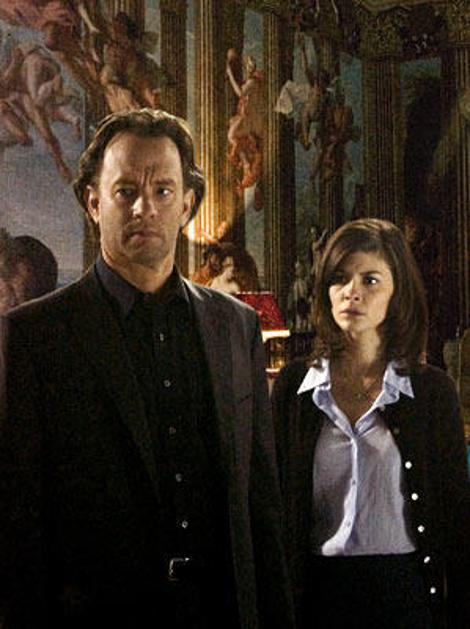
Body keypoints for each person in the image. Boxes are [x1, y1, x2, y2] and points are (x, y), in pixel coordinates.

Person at [0, 108, 294, 629]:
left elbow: (260, 508)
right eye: (125, 191)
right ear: (93, 202)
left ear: (187, 204)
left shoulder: (236, 325)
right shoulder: (34, 335)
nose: (144, 207)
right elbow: (20, 523)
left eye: (162, 191)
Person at [272, 218, 470, 628]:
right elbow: (273, 511)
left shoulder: (431, 392)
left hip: (404, 595)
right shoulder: (294, 387)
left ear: (398, 292)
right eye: (339, 278)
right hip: (318, 597)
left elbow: (456, 521)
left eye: (370, 280)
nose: (352, 291)